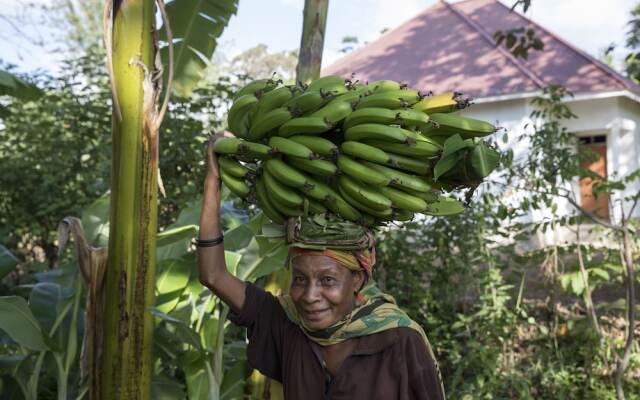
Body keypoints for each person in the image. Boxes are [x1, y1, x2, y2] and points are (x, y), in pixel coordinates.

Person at [197, 135, 446, 400]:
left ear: (358, 280)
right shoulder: (288, 324)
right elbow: (213, 275)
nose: (310, 296)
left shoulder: (399, 338)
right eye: (300, 279)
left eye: (327, 280)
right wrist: (213, 183)